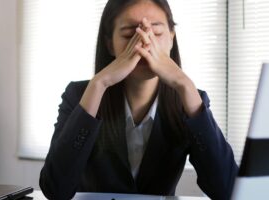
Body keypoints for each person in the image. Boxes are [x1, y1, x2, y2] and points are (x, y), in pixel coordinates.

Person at [39, 0, 238, 199]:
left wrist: (185, 84)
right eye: (129, 35)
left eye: (157, 33)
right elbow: (55, 189)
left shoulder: (189, 99)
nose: (144, 44)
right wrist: (99, 84)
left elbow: (228, 191)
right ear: (109, 44)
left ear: (171, 37)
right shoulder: (80, 95)